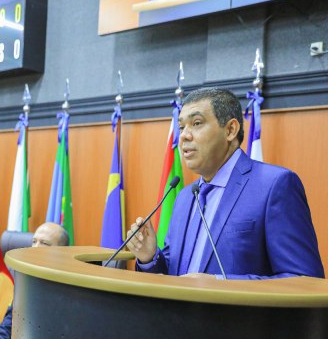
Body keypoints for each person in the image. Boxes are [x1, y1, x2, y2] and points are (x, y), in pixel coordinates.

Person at [126, 87, 324, 279]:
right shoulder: (184, 197)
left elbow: (304, 280)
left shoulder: (275, 185)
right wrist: (150, 258)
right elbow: (174, 275)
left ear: (230, 130)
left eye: (196, 123)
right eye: (181, 127)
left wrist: (220, 283)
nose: (185, 135)